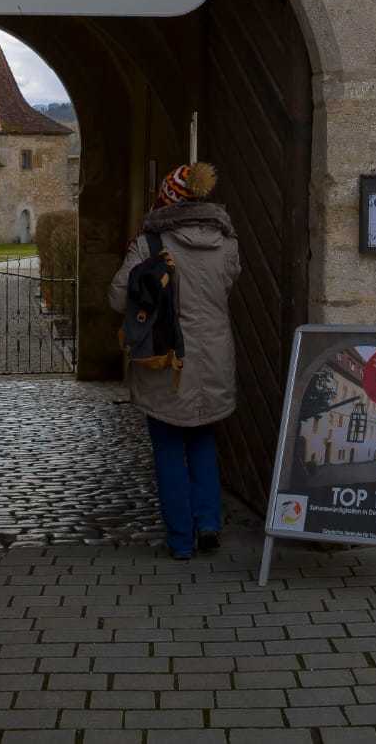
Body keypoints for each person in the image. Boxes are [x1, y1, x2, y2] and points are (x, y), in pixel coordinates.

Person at [108, 162, 242, 560]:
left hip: (168, 358)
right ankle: (208, 523)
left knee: (168, 446)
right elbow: (228, 284)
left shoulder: (151, 244)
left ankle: (181, 540)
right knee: (203, 440)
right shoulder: (227, 241)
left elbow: (118, 297)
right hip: (214, 356)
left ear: (166, 199)